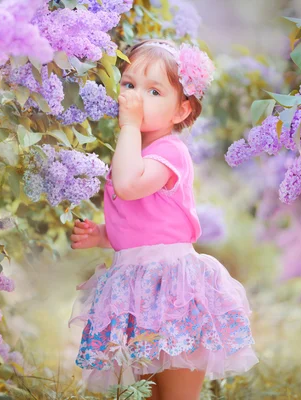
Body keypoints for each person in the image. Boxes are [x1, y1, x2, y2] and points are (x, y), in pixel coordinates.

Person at [68, 39, 259, 400]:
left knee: (176, 394)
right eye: (129, 85)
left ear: (180, 110)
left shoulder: (170, 151)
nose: (136, 97)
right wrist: (104, 235)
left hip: (173, 289)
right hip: (137, 286)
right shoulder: (135, 151)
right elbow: (145, 223)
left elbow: (127, 186)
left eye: (154, 90)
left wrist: (128, 126)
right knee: (148, 391)